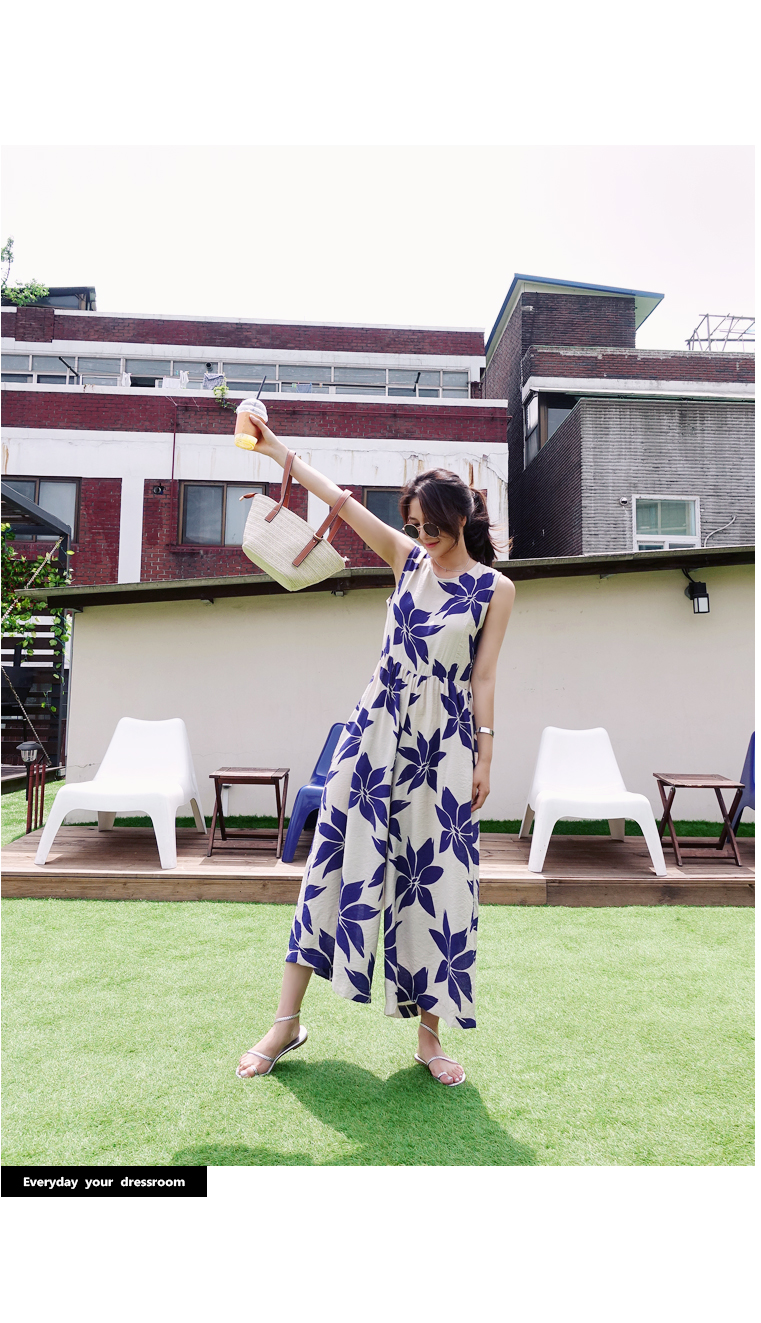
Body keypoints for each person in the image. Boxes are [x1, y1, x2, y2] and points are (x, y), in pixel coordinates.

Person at [235, 406, 515, 1085]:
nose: (423, 537)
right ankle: (285, 1022)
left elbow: (482, 676)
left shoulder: (494, 589)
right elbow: (338, 500)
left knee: (439, 882)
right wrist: (275, 451)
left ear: (461, 518)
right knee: (329, 862)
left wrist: (485, 755)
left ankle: (429, 1037)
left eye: (432, 526)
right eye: (414, 525)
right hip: (373, 733)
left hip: (444, 748)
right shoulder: (405, 560)